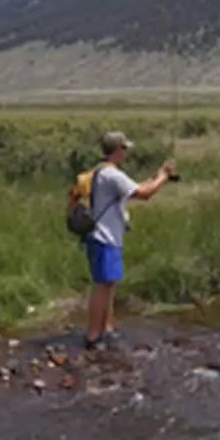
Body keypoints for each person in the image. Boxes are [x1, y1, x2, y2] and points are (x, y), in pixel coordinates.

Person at [82, 130, 176, 351]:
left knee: (109, 283)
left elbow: (134, 189)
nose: (126, 153)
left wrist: (155, 177)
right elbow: (144, 194)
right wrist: (163, 176)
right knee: (101, 285)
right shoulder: (112, 175)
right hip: (105, 237)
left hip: (104, 236)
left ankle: (107, 328)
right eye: (124, 149)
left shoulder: (103, 171)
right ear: (117, 150)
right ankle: (93, 335)